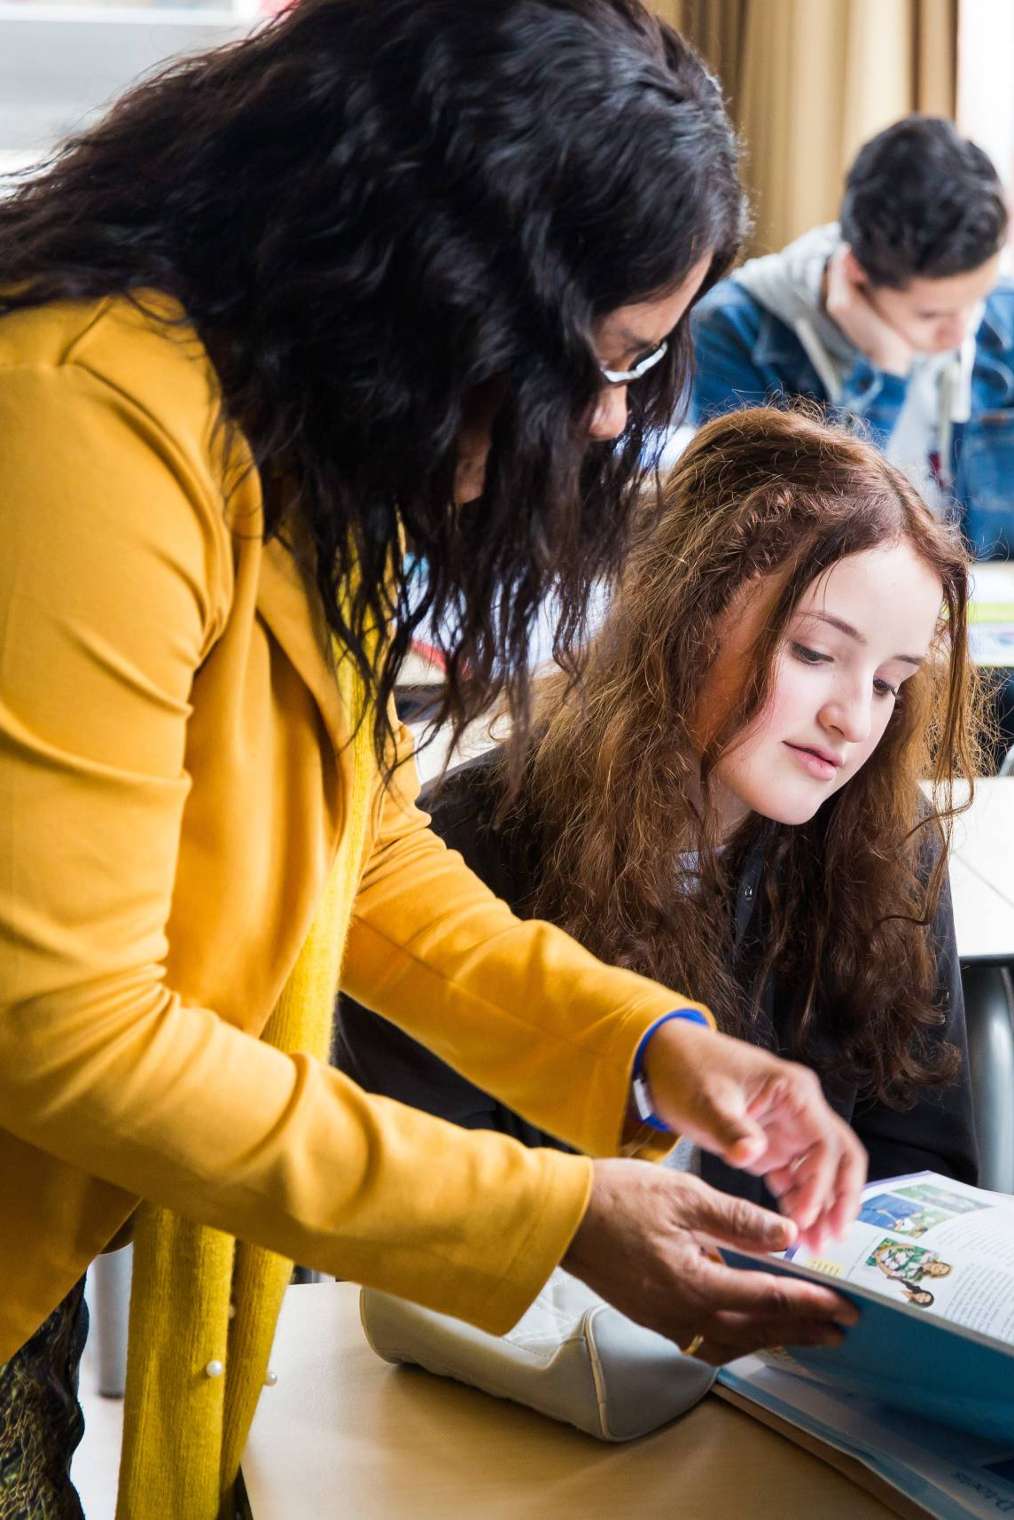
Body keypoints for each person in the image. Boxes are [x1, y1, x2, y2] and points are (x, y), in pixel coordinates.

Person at [0, 4, 864, 1516]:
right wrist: (549, 1213)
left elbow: (362, 853)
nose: (606, 422)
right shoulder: (79, 416)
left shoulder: (282, 429)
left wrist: (645, 1048)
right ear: (436, 279)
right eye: (607, 362)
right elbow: (65, 1024)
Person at [337, 406, 982, 1216]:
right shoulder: (470, 841)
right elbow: (424, 1193)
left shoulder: (890, 843)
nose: (854, 719)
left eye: (888, 682)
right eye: (815, 654)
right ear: (683, 620)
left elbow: (920, 1171)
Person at [689, 116, 1014, 561]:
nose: (961, 331)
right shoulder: (735, 332)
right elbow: (780, 553)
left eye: (974, 299)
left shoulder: (1004, 313)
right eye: (931, 314)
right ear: (858, 273)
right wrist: (881, 373)